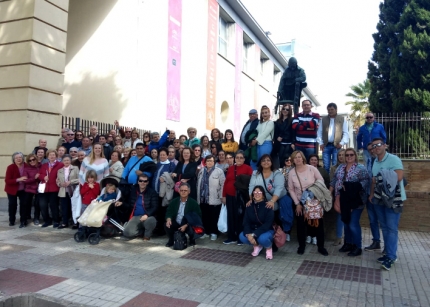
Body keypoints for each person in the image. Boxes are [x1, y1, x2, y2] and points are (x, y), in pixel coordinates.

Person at [369, 137, 406, 271]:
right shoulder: (375, 161)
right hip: (379, 199)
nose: (376, 147)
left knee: (391, 228)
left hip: (393, 199)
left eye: (379, 145)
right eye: (374, 146)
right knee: (384, 227)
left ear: (385, 146)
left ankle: (391, 256)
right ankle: (387, 253)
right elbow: (374, 180)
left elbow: (399, 176)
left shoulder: (393, 159)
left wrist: (381, 175)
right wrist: (372, 194)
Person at [288, 150, 328, 256]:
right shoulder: (291, 173)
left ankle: (321, 247)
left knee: (318, 224)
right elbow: (291, 189)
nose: (297, 159)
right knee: (301, 225)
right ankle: (301, 246)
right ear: (293, 160)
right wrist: (297, 204)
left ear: (303, 158)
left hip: (314, 200)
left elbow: (321, 181)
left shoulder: (312, 169)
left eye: (299, 157)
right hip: (300, 201)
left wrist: (313, 191)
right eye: (295, 157)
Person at [331, 148, 369, 257]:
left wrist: (351, 188)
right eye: (347, 155)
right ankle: (348, 243)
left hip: (356, 201)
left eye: (351, 154)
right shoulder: (340, 168)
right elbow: (334, 181)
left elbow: (365, 182)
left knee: (353, 224)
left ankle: (357, 246)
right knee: (346, 222)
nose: (349, 157)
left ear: (355, 155)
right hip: (343, 200)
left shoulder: (361, 168)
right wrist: (330, 193)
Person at [221, 150, 253, 245]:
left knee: (240, 216)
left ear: (244, 159)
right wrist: (224, 196)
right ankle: (231, 237)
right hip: (229, 196)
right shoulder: (231, 168)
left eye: (241, 157)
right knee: (230, 216)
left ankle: (240, 237)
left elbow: (250, 182)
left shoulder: (248, 168)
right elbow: (226, 182)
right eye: (237, 157)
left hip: (241, 197)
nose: (239, 159)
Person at [117, 174, 158, 240]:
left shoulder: (152, 192)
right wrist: (122, 203)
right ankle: (140, 232)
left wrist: (147, 215)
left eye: (145, 181)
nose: (142, 183)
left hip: (147, 216)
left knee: (151, 220)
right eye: (140, 181)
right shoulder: (133, 191)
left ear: (147, 182)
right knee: (127, 233)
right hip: (135, 217)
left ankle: (147, 236)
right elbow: (130, 205)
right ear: (138, 182)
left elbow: (155, 207)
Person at [239, 186, 275, 260]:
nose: (257, 194)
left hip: (266, 230)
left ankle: (269, 248)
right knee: (242, 236)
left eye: (259, 192)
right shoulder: (249, 206)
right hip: (253, 229)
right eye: (255, 192)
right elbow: (246, 222)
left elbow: (267, 224)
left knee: (262, 238)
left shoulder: (268, 206)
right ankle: (257, 245)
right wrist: (248, 233)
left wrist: (253, 234)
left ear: (263, 195)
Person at [197, 155, 225, 241]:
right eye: (208, 161)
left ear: (214, 162)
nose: (210, 162)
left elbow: (223, 184)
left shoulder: (219, 171)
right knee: (205, 216)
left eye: (211, 161)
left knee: (214, 217)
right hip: (203, 198)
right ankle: (206, 232)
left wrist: (221, 196)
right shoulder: (201, 170)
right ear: (205, 162)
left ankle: (214, 232)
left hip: (214, 198)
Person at [164, 182, 202, 247]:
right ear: (178, 191)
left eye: (185, 190)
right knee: (167, 224)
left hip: (187, 223)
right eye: (181, 190)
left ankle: (192, 239)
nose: (183, 192)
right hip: (177, 222)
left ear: (189, 192)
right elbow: (169, 212)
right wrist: (168, 219)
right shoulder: (174, 201)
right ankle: (171, 239)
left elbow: (197, 217)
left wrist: (186, 225)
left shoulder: (193, 203)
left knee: (192, 227)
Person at [317, 103, 349, 172]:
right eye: (328, 110)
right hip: (326, 145)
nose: (330, 111)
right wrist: (321, 143)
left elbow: (345, 133)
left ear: (336, 109)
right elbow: (319, 132)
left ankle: (336, 181)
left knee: (336, 165)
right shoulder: (323, 119)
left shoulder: (342, 119)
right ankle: (327, 182)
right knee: (326, 165)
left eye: (332, 109)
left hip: (337, 146)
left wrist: (341, 143)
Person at [152, 148, 176, 234]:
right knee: (157, 210)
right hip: (155, 191)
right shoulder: (157, 164)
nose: (162, 156)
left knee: (163, 211)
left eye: (164, 155)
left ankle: (163, 229)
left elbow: (172, 178)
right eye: (161, 155)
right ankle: (157, 227)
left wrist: (165, 178)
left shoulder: (171, 165)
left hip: (164, 192)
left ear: (167, 155)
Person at [38, 149, 64, 228]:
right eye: (50, 155)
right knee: (43, 205)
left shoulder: (60, 165)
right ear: (47, 156)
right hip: (44, 188)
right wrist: (43, 177)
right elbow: (39, 175)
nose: (52, 156)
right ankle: (47, 220)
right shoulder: (44, 165)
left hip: (54, 188)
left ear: (56, 156)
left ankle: (56, 221)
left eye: (53, 155)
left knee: (54, 205)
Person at [363, 142, 381, 252]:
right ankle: (376, 241)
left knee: (382, 221)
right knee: (372, 220)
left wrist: (372, 193)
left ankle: (388, 247)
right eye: (369, 150)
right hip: (369, 195)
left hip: (378, 196)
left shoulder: (379, 161)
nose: (371, 151)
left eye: (372, 149)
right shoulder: (369, 160)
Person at [4, 152, 27, 227]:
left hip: (24, 189)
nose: (18, 159)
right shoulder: (10, 167)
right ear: (13, 159)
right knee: (12, 204)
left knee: (24, 204)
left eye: (20, 157)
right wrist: (18, 179)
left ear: (22, 158)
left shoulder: (26, 165)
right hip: (12, 189)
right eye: (16, 158)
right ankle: (12, 220)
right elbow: (7, 180)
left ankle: (23, 220)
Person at [56, 154, 79, 229]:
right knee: (64, 208)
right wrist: (60, 183)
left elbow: (80, 179)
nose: (66, 161)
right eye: (65, 160)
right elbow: (57, 181)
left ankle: (75, 222)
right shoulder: (59, 170)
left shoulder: (75, 168)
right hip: (63, 191)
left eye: (68, 160)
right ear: (62, 161)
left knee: (74, 207)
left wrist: (70, 182)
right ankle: (64, 222)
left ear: (70, 161)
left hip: (73, 190)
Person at [329, 149, 346, 246]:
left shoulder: (356, 167)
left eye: (343, 155)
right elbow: (332, 181)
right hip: (338, 195)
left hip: (349, 195)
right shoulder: (334, 168)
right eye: (339, 155)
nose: (341, 157)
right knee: (339, 216)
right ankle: (339, 237)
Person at [250, 106, 274, 170]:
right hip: (258, 144)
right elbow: (257, 132)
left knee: (263, 161)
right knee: (253, 161)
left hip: (266, 143)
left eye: (266, 112)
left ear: (269, 113)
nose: (264, 114)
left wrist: (256, 140)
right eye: (263, 113)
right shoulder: (260, 123)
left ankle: (263, 176)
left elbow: (265, 133)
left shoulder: (271, 122)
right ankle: (255, 176)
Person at [23, 154, 41, 225]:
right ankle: (26, 217)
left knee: (37, 204)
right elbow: (25, 180)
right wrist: (34, 178)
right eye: (30, 160)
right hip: (29, 188)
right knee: (27, 203)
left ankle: (36, 218)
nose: (32, 161)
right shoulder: (26, 169)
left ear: (36, 159)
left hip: (39, 188)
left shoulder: (41, 166)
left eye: (33, 159)